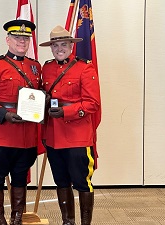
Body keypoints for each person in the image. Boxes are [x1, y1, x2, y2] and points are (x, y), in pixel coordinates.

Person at [0, 19, 41, 225]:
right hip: (0, 135)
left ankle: (17, 219)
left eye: (26, 38)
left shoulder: (35, 67)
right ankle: (0, 221)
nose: (22, 41)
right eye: (17, 37)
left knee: (20, 179)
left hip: (26, 136)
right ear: (8, 40)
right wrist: (3, 113)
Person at [39, 25, 101, 225]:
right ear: (51, 48)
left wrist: (66, 111)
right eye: (55, 45)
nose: (59, 49)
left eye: (63, 44)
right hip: (54, 136)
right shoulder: (46, 68)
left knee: (82, 182)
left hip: (77, 135)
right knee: (61, 181)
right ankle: (68, 222)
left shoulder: (85, 68)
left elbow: (93, 103)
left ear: (71, 46)